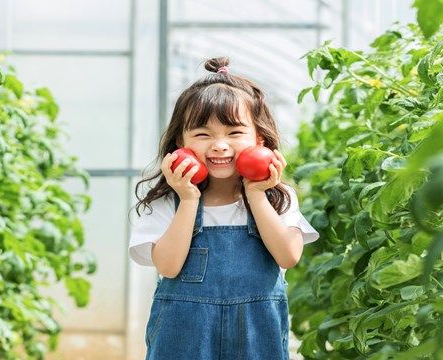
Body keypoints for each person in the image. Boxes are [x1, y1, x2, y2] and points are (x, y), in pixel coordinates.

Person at [128, 57, 320, 359]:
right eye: (203, 134)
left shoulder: (276, 199)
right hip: (184, 339)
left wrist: (256, 195)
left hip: (257, 336)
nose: (219, 145)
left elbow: (289, 255)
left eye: (234, 133)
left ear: (259, 138)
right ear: (181, 142)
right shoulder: (169, 201)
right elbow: (168, 266)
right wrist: (188, 198)